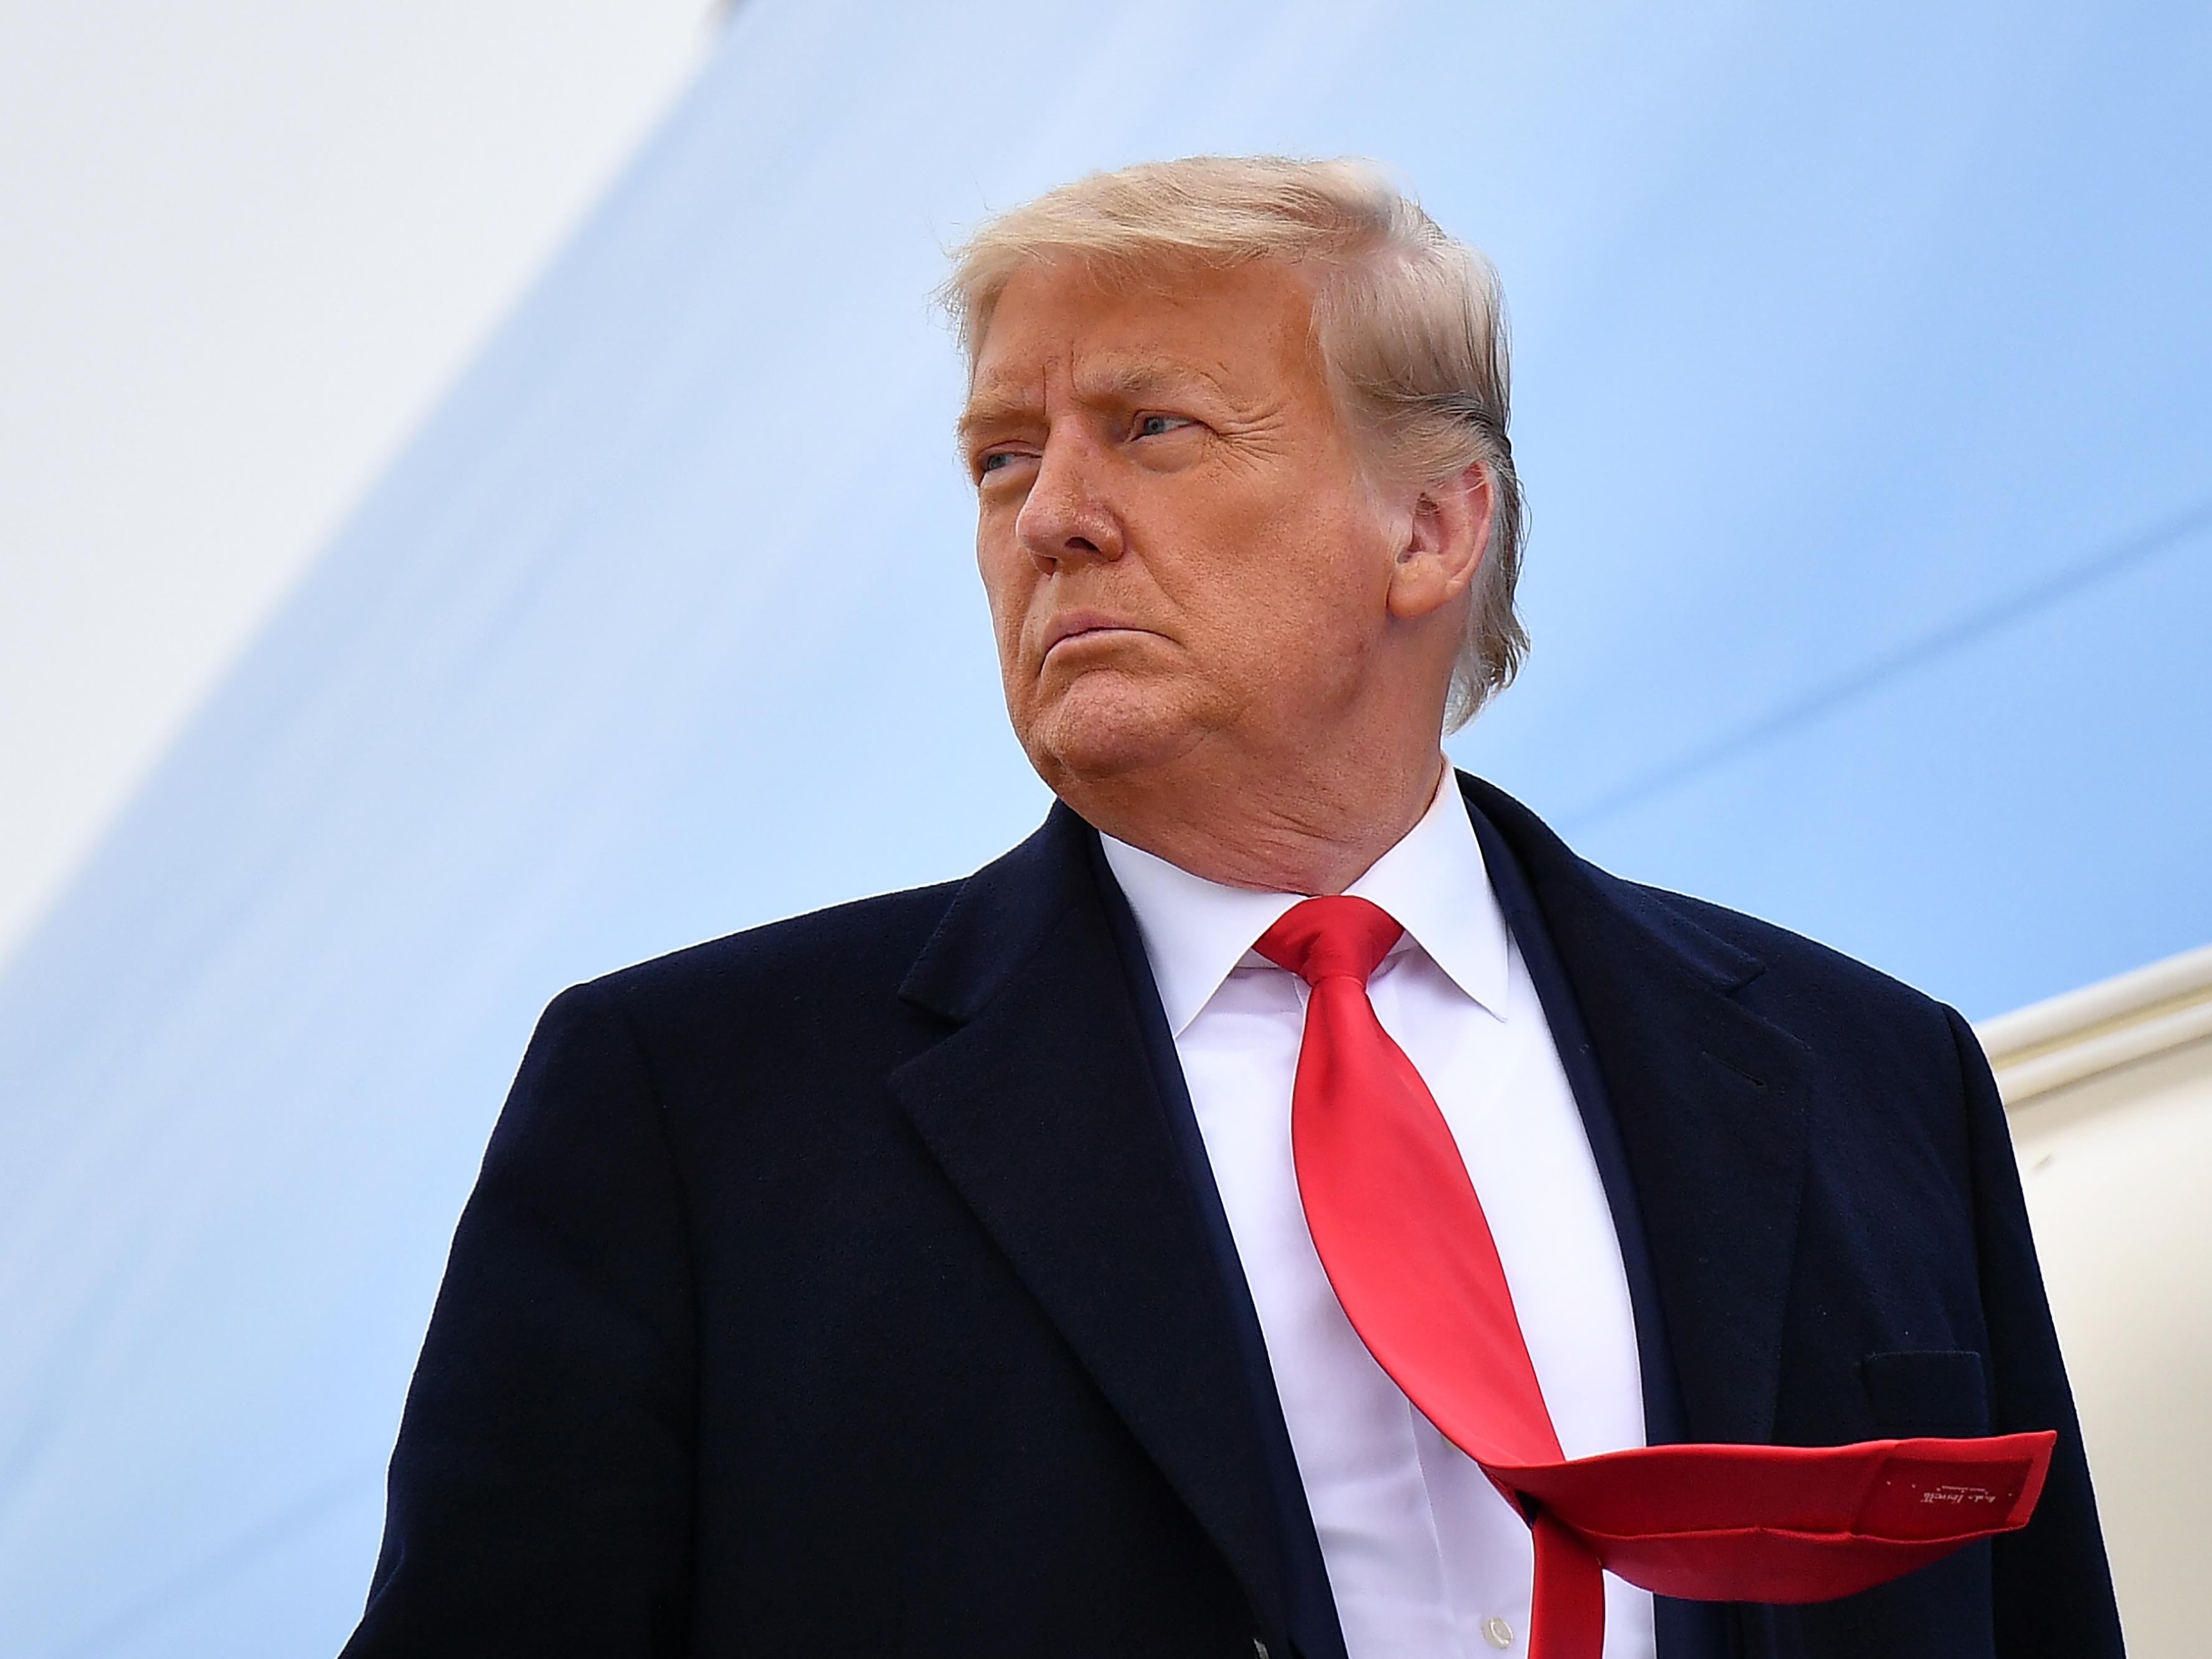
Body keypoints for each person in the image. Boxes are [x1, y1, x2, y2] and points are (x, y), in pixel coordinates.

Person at [340, 158, 2124, 1659]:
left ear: (1432, 528)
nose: (1051, 518)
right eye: (998, 458)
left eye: (1152, 429)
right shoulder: (690, 1108)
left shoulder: (1875, 1075)